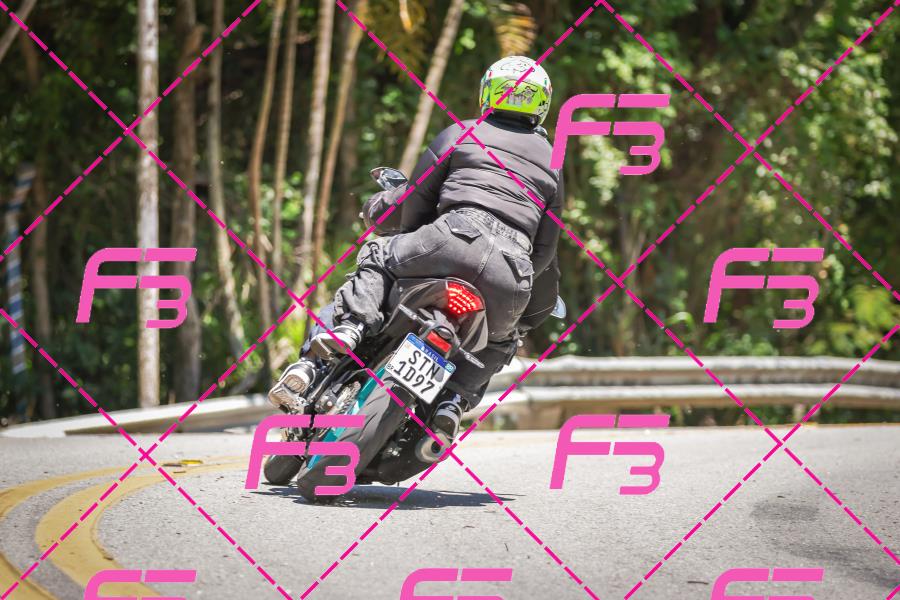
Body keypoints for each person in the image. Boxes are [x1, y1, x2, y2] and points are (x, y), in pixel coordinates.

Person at [268, 55, 563, 443]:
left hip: (450, 238)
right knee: (503, 339)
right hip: (510, 273)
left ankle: (350, 328)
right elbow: (544, 251)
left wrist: (384, 216)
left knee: (378, 253)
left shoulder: (462, 133)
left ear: (488, 93)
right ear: (542, 103)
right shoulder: (553, 163)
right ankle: (453, 403)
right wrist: (519, 293)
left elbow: (413, 203)